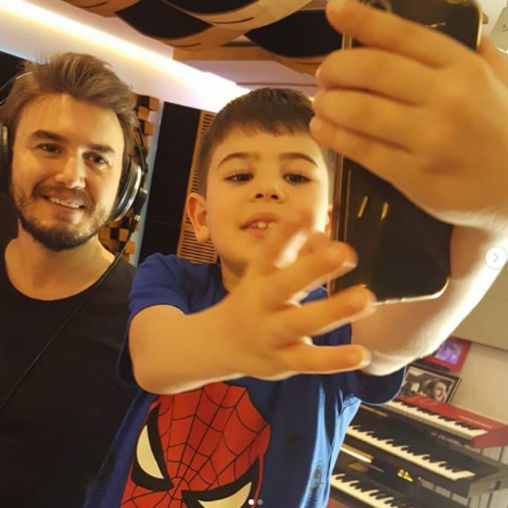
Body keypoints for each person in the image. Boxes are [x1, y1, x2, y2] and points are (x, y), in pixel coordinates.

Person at [85, 1, 508, 507]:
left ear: (330, 220)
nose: (268, 190)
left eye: (296, 176)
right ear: (200, 215)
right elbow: (154, 359)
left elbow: (399, 340)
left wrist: (494, 223)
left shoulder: (333, 318)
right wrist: (229, 337)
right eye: (240, 175)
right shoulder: (172, 278)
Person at [0, 53, 141, 507]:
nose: (72, 177)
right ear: (8, 155)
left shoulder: (147, 321)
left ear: (125, 187)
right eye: (49, 147)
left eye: (97, 158)